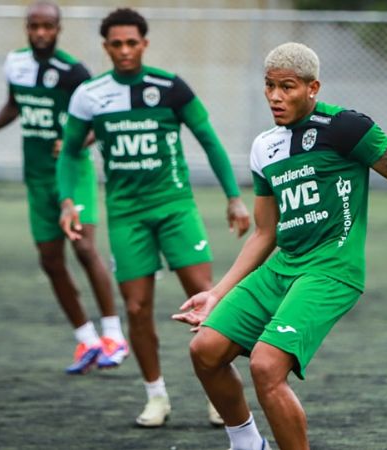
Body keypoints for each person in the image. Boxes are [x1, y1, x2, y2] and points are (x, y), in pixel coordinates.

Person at [173, 42, 387, 450]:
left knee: (266, 365)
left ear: (312, 87)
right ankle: (248, 445)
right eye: (269, 85)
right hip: (282, 268)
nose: (274, 96)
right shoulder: (264, 147)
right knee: (205, 350)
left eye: (286, 87)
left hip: (331, 270)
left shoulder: (345, 127)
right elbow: (264, 233)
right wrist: (218, 293)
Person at [57, 8, 250, 427]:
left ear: (144, 43)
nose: (125, 50)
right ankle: (156, 396)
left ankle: (220, 394)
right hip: (127, 215)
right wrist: (68, 201)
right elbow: (71, 151)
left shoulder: (170, 88)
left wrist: (234, 197)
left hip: (176, 208)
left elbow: (210, 141)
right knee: (137, 307)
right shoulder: (90, 95)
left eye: (132, 43)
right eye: (116, 43)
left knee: (207, 298)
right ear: (105, 46)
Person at [0, 1, 128, 374]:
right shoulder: (16, 64)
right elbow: (14, 105)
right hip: (36, 174)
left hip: (71, 171)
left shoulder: (74, 72)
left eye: (47, 27)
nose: (40, 33)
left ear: (58, 29)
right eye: (34, 26)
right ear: (26, 27)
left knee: (84, 246)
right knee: (50, 259)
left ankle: (114, 335)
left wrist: (77, 143)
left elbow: (98, 121)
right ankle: (86, 341)